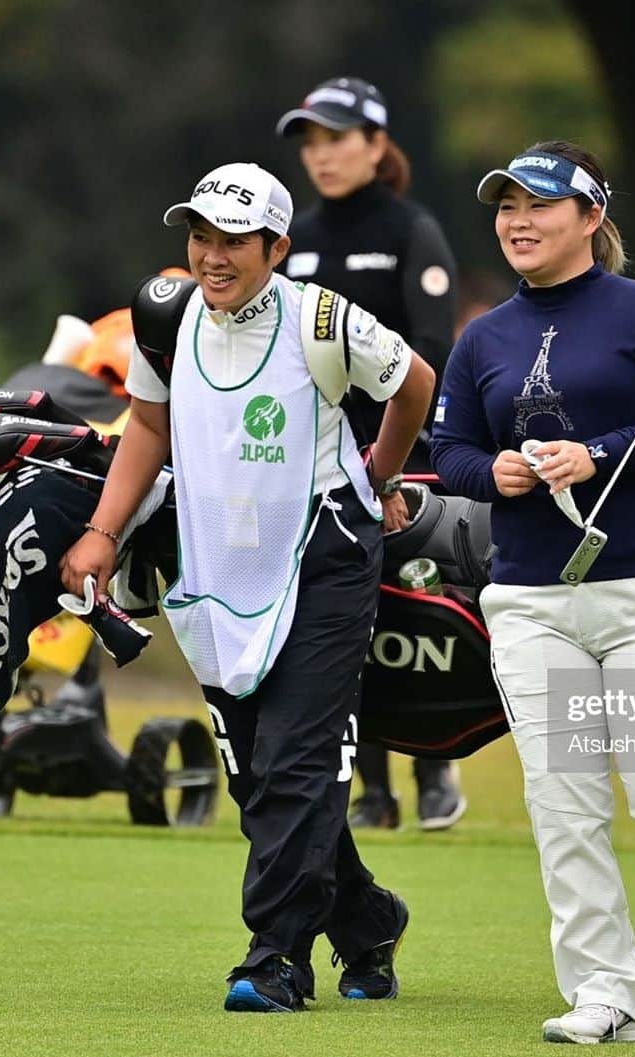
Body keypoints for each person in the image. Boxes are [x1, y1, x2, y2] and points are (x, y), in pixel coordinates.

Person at [60, 162, 435, 1013]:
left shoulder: (324, 318)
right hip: (219, 564)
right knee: (256, 772)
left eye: (234, 240)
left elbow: (413, 384)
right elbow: (148, 424)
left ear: (277, 246)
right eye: (201, 236)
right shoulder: (165, 316)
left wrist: (380, 473)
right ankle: (369, 921)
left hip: (325, 551)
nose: (212, 256)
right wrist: (101, 533)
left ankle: (275, 958)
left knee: (298, 759)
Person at [431, 141, 635, 1044]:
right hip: (530, 599)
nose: (516, 222)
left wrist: (597, 453)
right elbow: (448, 452)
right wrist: (494, 470)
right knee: (562, 801)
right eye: (504, 208)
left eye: (536, 205)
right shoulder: (483, 337)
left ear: (590, 218)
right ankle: (607, 995)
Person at [276, 75, 467, 832]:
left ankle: (433, 769)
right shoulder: (295, 239)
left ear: (377, 145)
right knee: (337, 620)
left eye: (337, 138)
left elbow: (432, 348)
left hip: (402, 451)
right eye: (311, 142)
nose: (321, 156)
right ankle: (371, 789)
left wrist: (388, 458)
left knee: (414, 607)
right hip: (313, 460)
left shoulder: (410, 229)